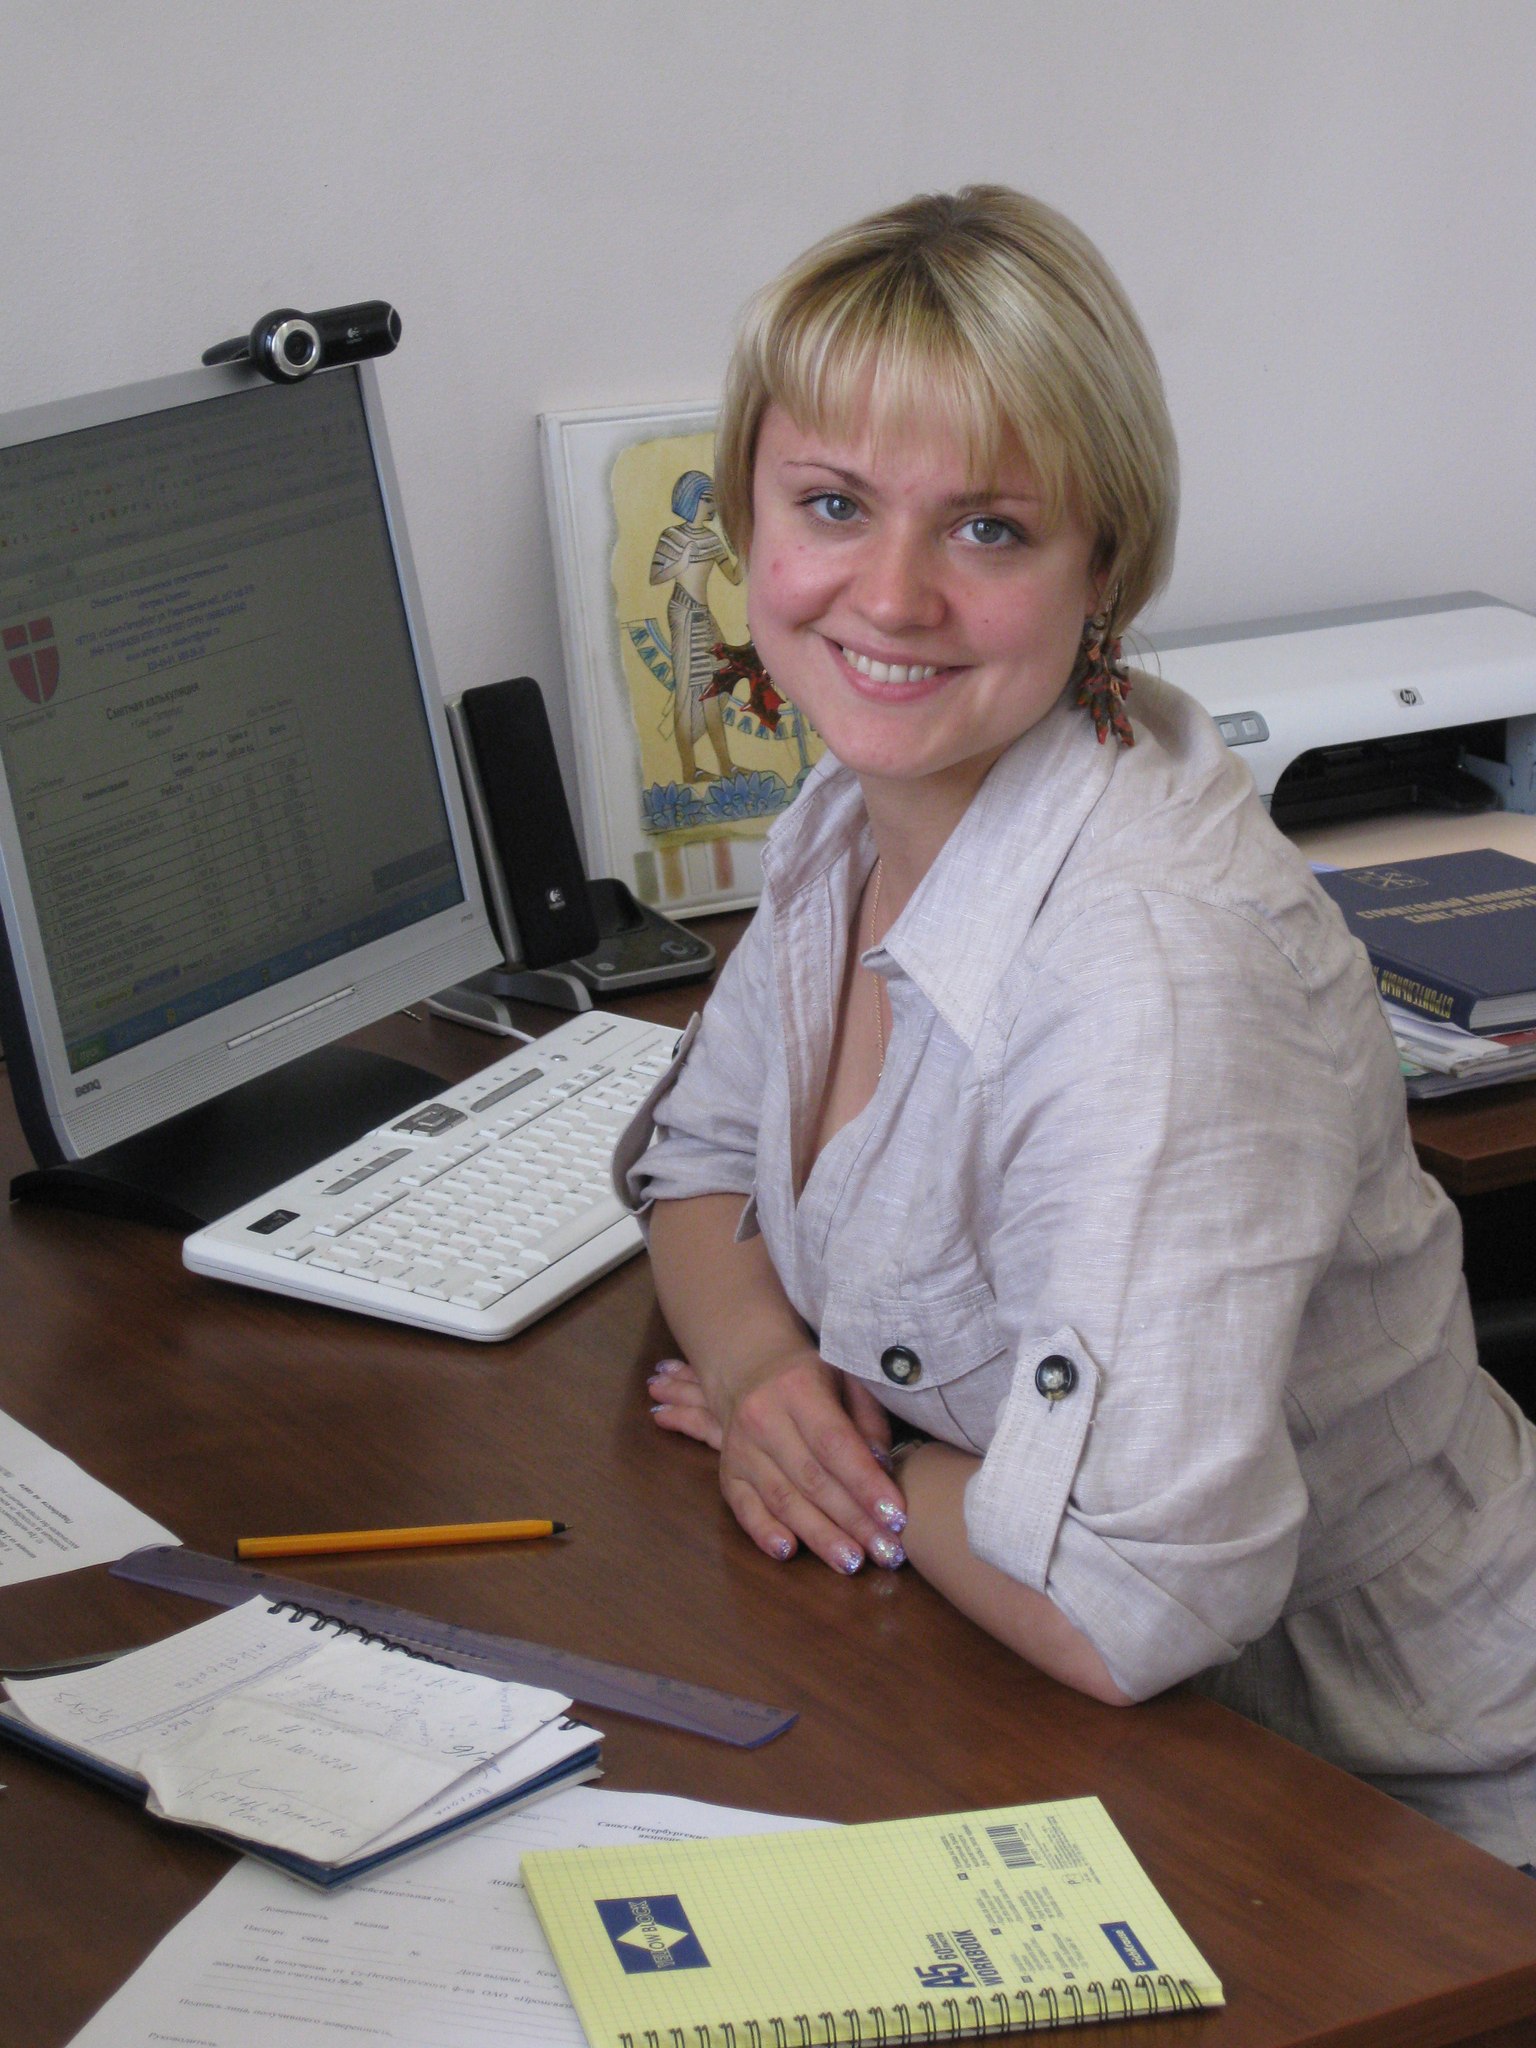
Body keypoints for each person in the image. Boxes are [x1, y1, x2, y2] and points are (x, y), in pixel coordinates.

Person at [619, 185, 1536, 1866]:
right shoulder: (856, 810)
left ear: (1101, 564)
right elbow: (699, 1162)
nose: (892, 595)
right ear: (748, 517)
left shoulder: (1153, 981)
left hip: (1400, 1816)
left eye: (987, 529)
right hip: (1081, 1715)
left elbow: (1131, 1601)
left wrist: (863, 1456)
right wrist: (762, 1375)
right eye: (833, 504)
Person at [650, 468, 743, 785]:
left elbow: (734, 577)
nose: (712, 506)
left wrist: (747, 547)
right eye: (707, 499)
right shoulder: (672, 537)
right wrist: (681, 562)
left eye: (714, 500)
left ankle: (727, 766)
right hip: (684, 613)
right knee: (687, 692)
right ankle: (689, 770)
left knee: (717, 684)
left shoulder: (712, 539)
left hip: (703, 614)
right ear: (690, 500)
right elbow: (655, 577)